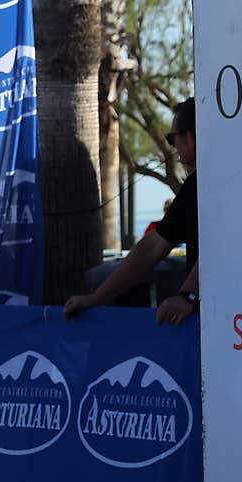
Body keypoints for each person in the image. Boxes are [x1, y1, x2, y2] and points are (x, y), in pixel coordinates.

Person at [66, 98, 199, 325]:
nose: (172, 146)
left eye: (172, 138)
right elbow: (151, 247)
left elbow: (223, 246)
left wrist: (189, 296)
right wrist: (96, 299)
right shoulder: (196, 186)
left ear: (190, 137)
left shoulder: (210, 185)